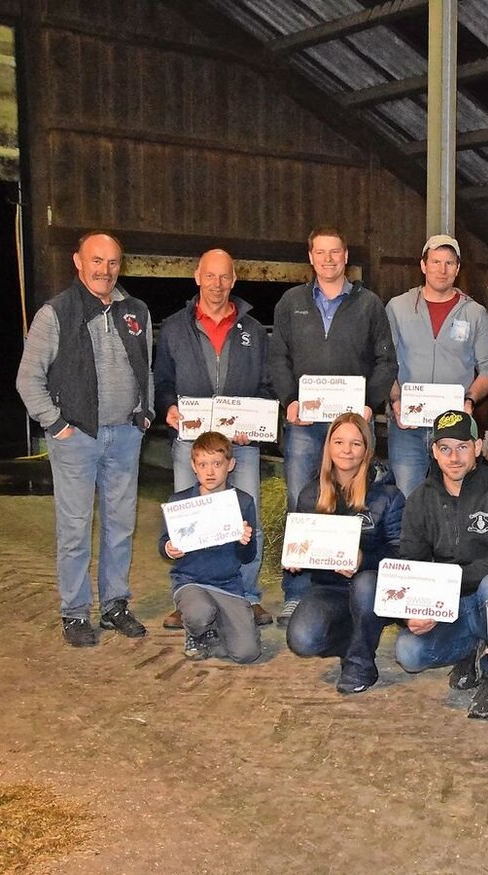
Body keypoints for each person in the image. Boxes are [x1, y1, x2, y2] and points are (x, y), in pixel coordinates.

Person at [16, 230, 151, 647]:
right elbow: (28, 380)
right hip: (77, 438)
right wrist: (56, 425)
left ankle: (114, 605)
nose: (105, 270)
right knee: (75, 529)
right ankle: (75, 613)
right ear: (78, 261)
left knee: (121, 526)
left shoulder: (136, 311)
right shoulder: (55, 313)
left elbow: (146, 367)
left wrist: (143, 412)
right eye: (97, 261)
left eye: (112, 263)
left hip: (126, 436)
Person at [268, 226, 396, 625]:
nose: (328, 259)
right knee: (300, 501)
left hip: (354, 425)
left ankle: (360, 583)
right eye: (320, 252)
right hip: (305, 425)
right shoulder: (291, 302)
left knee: (360, 502)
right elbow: (278, 358)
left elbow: (386, 361)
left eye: (335, 252)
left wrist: (368, 402)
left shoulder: (369, 304)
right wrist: (289, 399)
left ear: (345, 257)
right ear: (311, 258)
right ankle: (297, 591)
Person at [153, 248, 274, 629]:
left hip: (242, 444)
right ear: (197, 276)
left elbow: (267, 386)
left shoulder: (253, 330)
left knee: (247, 515)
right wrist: (169, 407)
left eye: (225, 277)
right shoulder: (174, 327)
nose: (217, 284)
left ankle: (248, 595)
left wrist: (254, 424)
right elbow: (163, 381)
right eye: (210, 276)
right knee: (189, 518)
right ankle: (188, 594)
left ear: (234, 280)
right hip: (192, 442)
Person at [394, 410, 488, 718]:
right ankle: (470, 647)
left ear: (478, 447)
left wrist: (447, 581)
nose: (454, 457)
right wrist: (409, 616)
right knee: (408, 653)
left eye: (462, 446)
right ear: (434, 452)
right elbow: (409, 566)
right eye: (445, 448)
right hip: (449, 607)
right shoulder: (420, 498)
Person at [284, 412, 404, 694]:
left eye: (355, 444)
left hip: (375, 588)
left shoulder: (388, 494)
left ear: (367, 449)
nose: (346, 451)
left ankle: (360, 664)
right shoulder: (311, 494)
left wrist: (364, 560)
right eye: (338, 442)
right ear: (328, 447)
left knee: (364, 584)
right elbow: (304, 544)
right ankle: (359, 637)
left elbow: (401, 553)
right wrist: (296, 559)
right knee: (301, 640)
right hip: (330, 589)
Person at [385, 235, 488, 497]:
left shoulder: (474, 313)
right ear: (423, 265)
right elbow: (385, 364)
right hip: (407, 427)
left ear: (457, 269)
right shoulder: (397, 308)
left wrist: (469, 400)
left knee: (455, 498)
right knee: (407, 499)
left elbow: (487, 370)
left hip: (454, 428)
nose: (441, 269)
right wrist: (396, 400)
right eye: (435, 261)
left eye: (449, 263)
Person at [159, 432, 260, 663]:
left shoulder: (243, 502)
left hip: (227, 585)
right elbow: (163, 542)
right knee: (198, 613)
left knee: (247, 654)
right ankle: (197, 632)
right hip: (190, 582)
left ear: (231, 465)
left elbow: (248, 556)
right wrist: (168, 548)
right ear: (193, 466)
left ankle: (215, 627)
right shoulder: (179, 502)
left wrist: (245, 541)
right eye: (203, 464)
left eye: (217, 464)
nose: (210, 471)